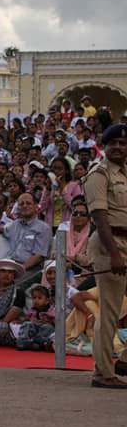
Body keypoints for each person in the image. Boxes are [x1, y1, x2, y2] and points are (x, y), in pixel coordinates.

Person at [83, 124, 127, 389]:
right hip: (110, 245)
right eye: (114, 143)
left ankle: (123, 361)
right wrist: (114, 254)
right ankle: (103, 372)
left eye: (123, 144)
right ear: (104, 144)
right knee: (110, 311)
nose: (119, 148)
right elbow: (100, 217)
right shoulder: (99, 174)